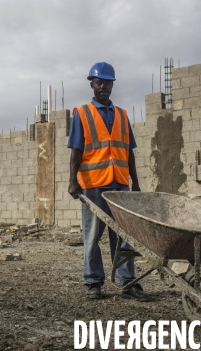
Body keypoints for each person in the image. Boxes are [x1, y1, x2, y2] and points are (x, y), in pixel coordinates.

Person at [67, 62, 150, 301]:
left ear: (112, 84)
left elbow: (129, 151)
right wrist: (73, 180)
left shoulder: (122, 115)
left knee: (124, 235)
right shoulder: (81, 114)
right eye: (99, 82)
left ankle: (128, 282)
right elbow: (76, 150)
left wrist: (135, 181)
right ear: (91, 84)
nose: (103, 86)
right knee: (92, 236)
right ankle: (93, 282)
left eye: (107, 82)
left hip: (120, 184)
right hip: (94, 185)